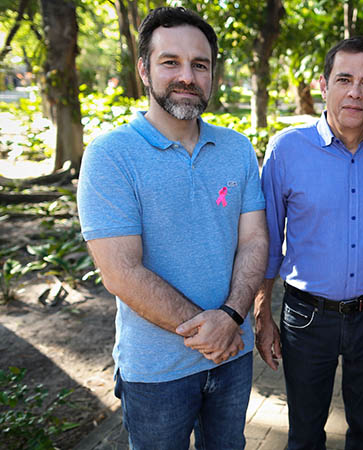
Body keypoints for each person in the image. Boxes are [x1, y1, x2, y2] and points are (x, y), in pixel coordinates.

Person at [77, 7, 268, 449]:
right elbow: (121, 271)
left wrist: (233, 317)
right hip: (156, 374)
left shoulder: (236, 149)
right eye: (171, 62)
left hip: (231, 360)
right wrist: (212, 331)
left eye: (200, 65)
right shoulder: (110, 156)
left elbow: (255, 239)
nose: (187, 75)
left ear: (213, 73)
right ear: (144, 69)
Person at [254, 36, 363, 450]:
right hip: (307, 317)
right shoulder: (287, 149)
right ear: (324, 84)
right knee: (305, 433)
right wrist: (262, 313)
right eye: (344, 79)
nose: (355, 92)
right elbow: (268, 239)